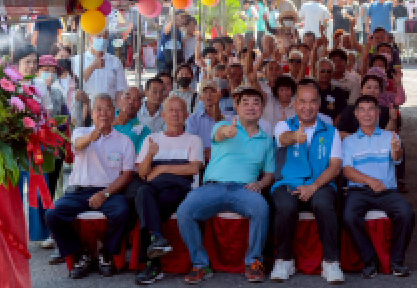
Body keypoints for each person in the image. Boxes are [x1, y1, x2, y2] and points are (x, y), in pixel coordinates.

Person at [176, 86, 275, 283]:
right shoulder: (222, 125)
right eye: (245, 103)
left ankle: (254, 261)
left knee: (261, 208)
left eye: (256, 103)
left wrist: (260, 184)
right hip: (213, 187)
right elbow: (219, 134)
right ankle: (200, 264)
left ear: (262, 108)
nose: (251, 107)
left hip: (244, 190)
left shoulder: (266, 140)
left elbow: (269, 174)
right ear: (236, 108)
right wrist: (227, 132)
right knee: (184, 211)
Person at [45, 94, 135, 279]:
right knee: (52, 214)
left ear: (114, 112)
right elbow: (77, 145)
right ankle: (79, 253)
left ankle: (106, 252)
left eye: (108, 109)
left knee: (124, 211)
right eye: (99, 109)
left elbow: (127, 175)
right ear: (92, 114)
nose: (103, 113)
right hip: (79, 191)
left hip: (109, 192)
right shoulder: (80, 132)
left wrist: (105, 194)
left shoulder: (124, 141)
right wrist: (92, 137)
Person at [270, 80, 345, 283]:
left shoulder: (331, 131)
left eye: (312, 101)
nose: (307, 106)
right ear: (294, 104)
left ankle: (330, 262)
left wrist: (313, 186)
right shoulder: (283, 125)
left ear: (319, 104)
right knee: (286, 207)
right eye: (302, 101)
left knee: (324, 204)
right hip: (287, 183)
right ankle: (284, 260)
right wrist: (295, 136)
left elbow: (335, 167)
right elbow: (283, 139)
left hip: (319, 184)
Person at [342, 95, 415, 278]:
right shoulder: (348, 141)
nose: (367, 114)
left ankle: (397, 261)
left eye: (371, 109)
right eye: (362, 110)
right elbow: (347, 171)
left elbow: (397, 158)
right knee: (349, 216)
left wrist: (397, 152)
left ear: (378, 113)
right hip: (359, 191)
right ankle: (369, 260)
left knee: (406, 213)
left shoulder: (391, 136)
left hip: (386, 191)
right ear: (356, 114)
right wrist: (369, 181)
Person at [133, 97, 204, 284]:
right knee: (142, 193)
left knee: (147, 206)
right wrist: (150, 154)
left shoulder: (193, 140)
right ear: (163, 115)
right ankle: (157, 238)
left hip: (180, 188)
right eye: (171, 110)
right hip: (154, 188)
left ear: (186, 115)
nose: (175, 114)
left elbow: (193, 168)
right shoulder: (152, 139)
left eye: (179, 110)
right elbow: (142, 173)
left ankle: (152, 265)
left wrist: (162, 168)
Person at [71, 32, 129, 100]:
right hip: (86, 105)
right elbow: (74, 85)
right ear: (89, 38)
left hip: (109, 105)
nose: (102, 39)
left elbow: (121, 89)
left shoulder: (115, 62)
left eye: (105, 36)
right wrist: (92, 67)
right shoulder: (77, 61)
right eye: (98, 36)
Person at [185, 80, 228, 163]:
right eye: (205, 92)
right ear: (200, 97)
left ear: (218, 95)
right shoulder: (193, 119)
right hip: (200, 160)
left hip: (222, 160)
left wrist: (213, 151)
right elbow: (190, 144)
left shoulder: (227, 117)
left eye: (212, 91)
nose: (209, 95)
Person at [112, 87, 149, 153]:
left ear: (141, 105)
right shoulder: (105, 117)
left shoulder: (143, 130)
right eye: (127, 97)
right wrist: (112, 123)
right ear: (120, 100)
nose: (131, 102)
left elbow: (139, 156)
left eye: (136, 99)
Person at [316, 58, 349, 124]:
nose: (325, 74)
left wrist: (331, 127)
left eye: (328, 71)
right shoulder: (309, 89)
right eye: (322, 71)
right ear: (316, 71)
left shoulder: (338, 92)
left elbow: (341, 113)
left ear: (332, 74)